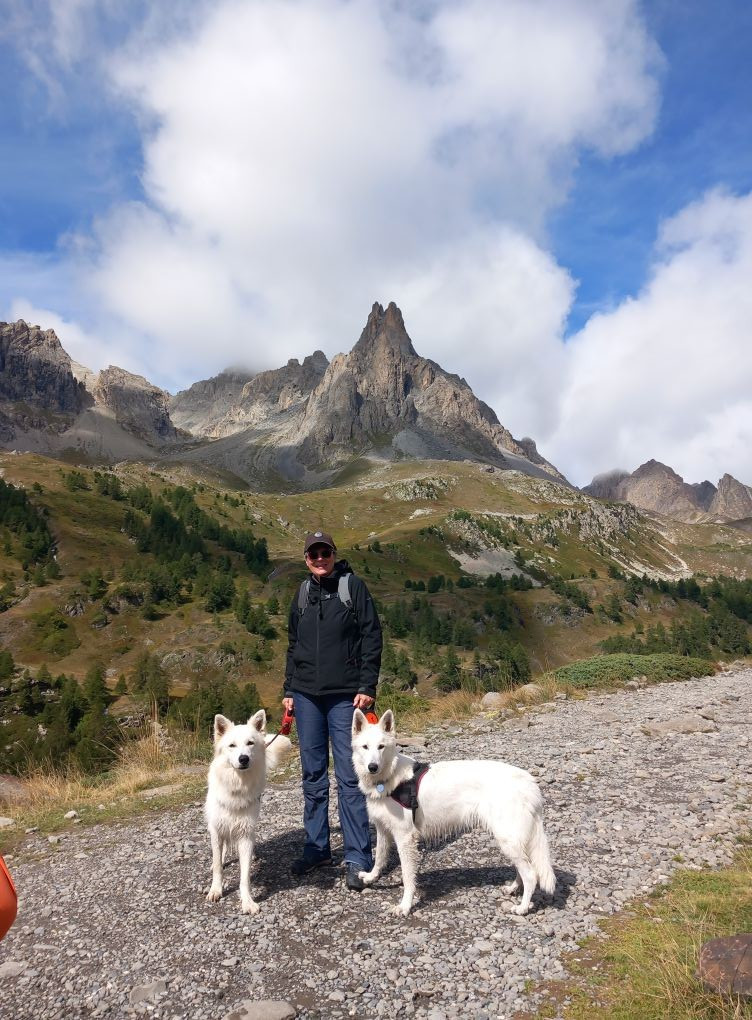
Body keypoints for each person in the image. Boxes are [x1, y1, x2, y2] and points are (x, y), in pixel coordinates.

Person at [283, 530, 382, 891]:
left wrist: (366, 686)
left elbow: (372, 635)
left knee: (350, 776)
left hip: (346, 697)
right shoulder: (303, 593)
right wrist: (289, 689)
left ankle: (358, 855)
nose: (320, 558)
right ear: (306, 559)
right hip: (306, 696)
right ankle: (317, 847)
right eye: (313, 554)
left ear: (334, 554)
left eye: (325, 552)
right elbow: (293, 644)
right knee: (312, 775)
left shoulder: (352, 587)